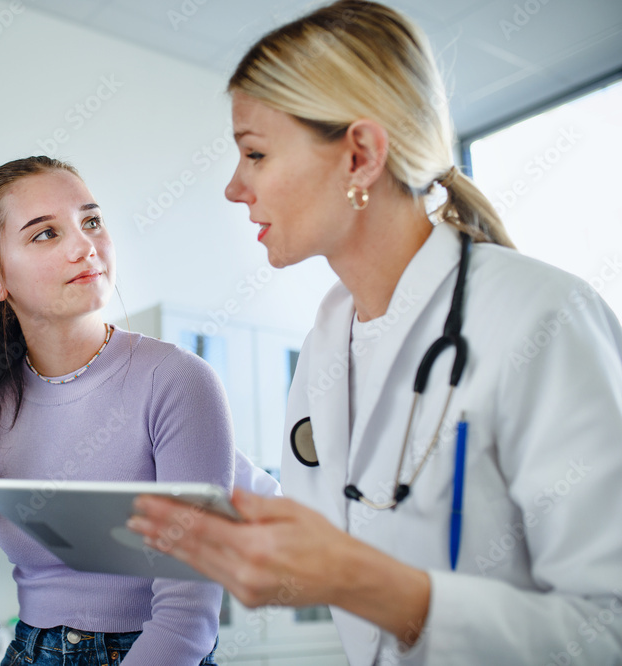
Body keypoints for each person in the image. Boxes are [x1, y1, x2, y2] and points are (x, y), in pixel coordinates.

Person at [126, 2, 622, 664]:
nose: (234, 188)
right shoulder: (324, 351)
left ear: (359, 156)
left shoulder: (543, 317)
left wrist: (376, 587)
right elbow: (336, 533)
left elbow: (608, 628)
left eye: (256, 154)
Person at [0, 156, 277, 665]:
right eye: (46, 234)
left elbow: (186, 619)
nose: (85, 246)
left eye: (92, 221)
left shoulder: (177, 380)